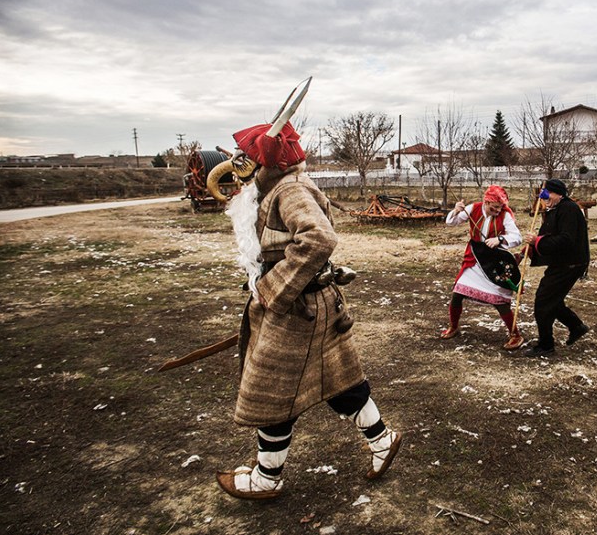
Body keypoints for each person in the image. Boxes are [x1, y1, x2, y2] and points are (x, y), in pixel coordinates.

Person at [214, 82, 402, 500]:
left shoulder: (290, 190)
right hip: (307, 305)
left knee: (272, 392)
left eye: (246, 155)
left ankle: (266, 478)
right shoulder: (276, 187)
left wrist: (272, 288)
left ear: (264, 161)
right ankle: (383, 441)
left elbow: (318, 238)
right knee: (338, 383)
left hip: (297, 309)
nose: (239, 161)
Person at [442, 185, 525, 350]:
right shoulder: (473, 208)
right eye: (494, 207)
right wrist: (456, 210)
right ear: (486, 202)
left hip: (493, 261)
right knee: (457, 293)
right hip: (474, 258)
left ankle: (515, 334)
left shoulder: (505, 215)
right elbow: (451, 222)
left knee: (499, 300)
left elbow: (517, 237)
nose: (498, 210)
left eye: (500, 207)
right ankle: (453, 326)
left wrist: (499, 239)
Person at [521, 178, 590, 357]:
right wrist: (528, 249)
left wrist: (538, 241)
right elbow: (547, 237)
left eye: (547, 193)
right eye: (542, 194)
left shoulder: (569, 209)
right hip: (563, 262)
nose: (544, 197)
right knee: (552, 299)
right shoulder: (556, 210)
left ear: (559, 194)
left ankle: (546, 345)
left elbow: (566, 240)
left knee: (543, 301)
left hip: (570, 263)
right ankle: (576, 326)